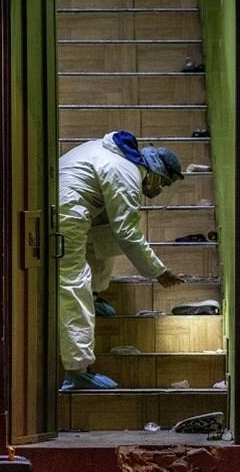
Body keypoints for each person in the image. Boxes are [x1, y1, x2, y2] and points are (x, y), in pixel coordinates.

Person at [59, 130, 184, 390]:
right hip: (66, 211)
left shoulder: (114, 156)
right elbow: (128, 232)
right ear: (155, 173)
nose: (159, 190)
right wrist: (158, 271)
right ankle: (77, 370)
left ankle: (95, 295)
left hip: (72, 206)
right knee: (73, 282)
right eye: (162, 184)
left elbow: (115, 232)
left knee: (105, 235)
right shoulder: (126, 173)